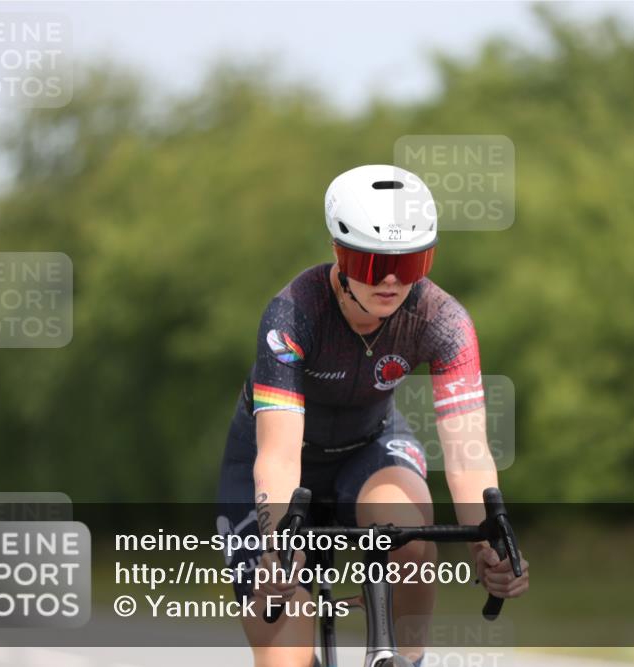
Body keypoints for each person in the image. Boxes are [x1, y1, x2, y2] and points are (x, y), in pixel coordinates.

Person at [217, 164, 529, 666]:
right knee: (284, 645)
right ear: (339, 256)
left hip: (369, 447)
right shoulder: (294, 314)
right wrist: (277, 547)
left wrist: (488, 548)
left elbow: (469, 456)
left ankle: (404, 659)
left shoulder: (443, 321)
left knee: (408, 539)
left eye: (408, 265)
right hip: (274, 460)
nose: (389, 280)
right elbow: (277, 457)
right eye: (370, 263)